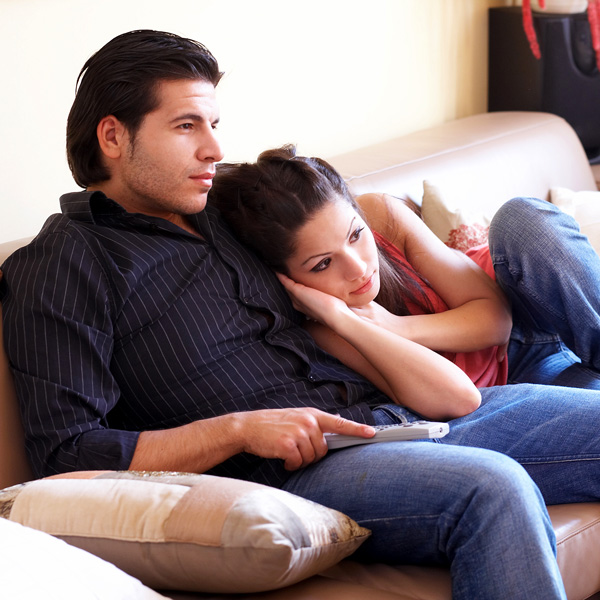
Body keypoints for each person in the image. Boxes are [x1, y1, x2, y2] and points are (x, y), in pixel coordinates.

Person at [5, 29, 600, 600]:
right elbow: (66, 453)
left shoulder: (228, 203)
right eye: (186, 126)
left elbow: (343, 212)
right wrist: (237, 429)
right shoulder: (65, 261)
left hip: (402, 412)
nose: (213, 148)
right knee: (493, 489)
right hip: (296, 470)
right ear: (113, 137)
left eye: (213, 125)